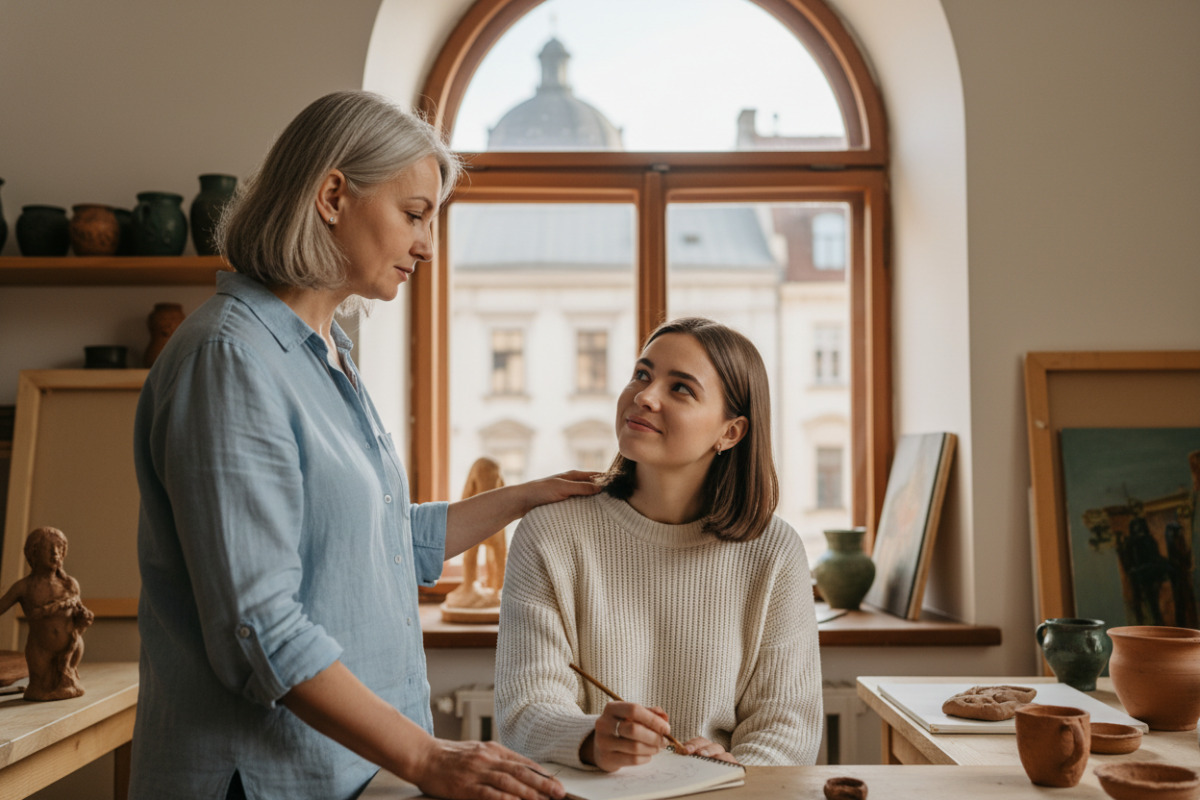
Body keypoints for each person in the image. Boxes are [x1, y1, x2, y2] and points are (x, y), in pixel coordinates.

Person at [130, 90, 598, 800]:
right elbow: (260, 627)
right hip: (258, 781)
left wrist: (530, 496)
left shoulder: (328, 353)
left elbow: (377, 543)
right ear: (331, 196)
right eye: (414, 215)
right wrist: (430, 759)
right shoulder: (230, 360)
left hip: (340, 774)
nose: (427, 245)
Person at [495, 317, 823, 771]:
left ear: (731, 432)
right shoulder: (549, 535)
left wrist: (732, 772)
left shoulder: (775, 551)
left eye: (681, 388)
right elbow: (525, 709)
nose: (644, 397)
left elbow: (788, 727)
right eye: (642, 375)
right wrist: (592, 741)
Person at [0, 526, 94, 701]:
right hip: (40, 650)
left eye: (60, 548)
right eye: (48, 548)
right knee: (39, 689)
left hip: (71, 650)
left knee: (67, 683)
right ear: (34, 553)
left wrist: (83, 619)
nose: (55, 553)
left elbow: (76, 616)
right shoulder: (25, 587)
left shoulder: (70, 584)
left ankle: (68, 680)